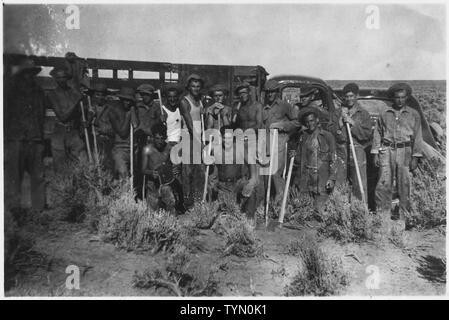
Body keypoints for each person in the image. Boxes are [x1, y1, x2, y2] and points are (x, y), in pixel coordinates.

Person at [372, 83, 424, 222]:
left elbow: (417, 137)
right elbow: (378, 133)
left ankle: (404, 217)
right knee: (383, 182)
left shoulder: (413, 114)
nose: (400, 100)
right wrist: (376, 152)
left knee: (404, 183)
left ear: (406, 98)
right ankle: (383, 216)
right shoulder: (384, 113)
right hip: (387, 150)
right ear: (392, 98)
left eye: (402, 97)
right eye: (397, 97)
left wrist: (416, 156)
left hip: (405, 151)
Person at [4, 58, 46, 211]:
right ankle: (13, 210)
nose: (29, 76)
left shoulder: (39, 91)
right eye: (26, 73)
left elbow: (41, 114)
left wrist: (39, 137)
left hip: (35, 139)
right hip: (16, 139)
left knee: (38, 176)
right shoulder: (10, 91)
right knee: (15, 176)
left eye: (31, 73)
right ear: (21, 74)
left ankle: (39, 209)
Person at [208, 126, 263, 222]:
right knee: (225, 213)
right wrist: (208, 162)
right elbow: (212, 170)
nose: (227, 141)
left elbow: (251, 162)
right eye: (225, 138)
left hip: (238, 183)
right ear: (222, 138)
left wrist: (253, 179)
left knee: (251, 189)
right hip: (223, 185)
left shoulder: (239, 148)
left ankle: (249, 219)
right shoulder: (216, 150)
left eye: (229, 138)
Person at [262, 79, 300, 205]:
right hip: (265, 143)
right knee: (265, 173)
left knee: (276, 173)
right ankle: (267, 203)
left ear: (277, 92)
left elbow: (296, 123)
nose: (270, 95)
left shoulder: (284, 106)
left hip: (279, 142)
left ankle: (281, 205)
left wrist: (282, 125)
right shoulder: (262, 106)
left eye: (272, 92)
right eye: (267, 92)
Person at [291, 108, 337, 211]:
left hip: (321, 180)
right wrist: (293, 155)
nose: (309, 124)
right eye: (307, 122)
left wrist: (332, 178)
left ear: (317, 120)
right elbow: (298, 160)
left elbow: (334, 158)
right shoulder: (302, 137)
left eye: (311, 120)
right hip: (306, 179)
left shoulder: (327, 136)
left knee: (320, 211)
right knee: (303, 210)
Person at [334, 83, 372, 202]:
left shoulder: (363, 113)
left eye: (352, 96)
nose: (349, 99)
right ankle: (340, 209)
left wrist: (353, 124)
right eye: (347, 96)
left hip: (357, 149)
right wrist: (340, 124)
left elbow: (366, 135)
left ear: (356, 96)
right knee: (340, 180)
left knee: (358, 181)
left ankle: (359, 209)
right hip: (341, 150)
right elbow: (331, 132)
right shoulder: (338, 112)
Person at [47, 67, 86, 171]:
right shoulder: (52, 94)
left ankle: (78, 186)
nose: (62, 80)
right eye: (59, 77)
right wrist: (76, 100)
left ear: (67, 78)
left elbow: (81, 113)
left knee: (81, 164)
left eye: (64, 77)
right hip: (60, 132)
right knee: (60, 166)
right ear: (55, 78)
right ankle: (62, 187)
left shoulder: (74, 92)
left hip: (74, 132)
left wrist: (82, 125)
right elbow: (62, 117)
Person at [141, 123, 185, 214]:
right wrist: (151, 173)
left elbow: (175, 164)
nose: (160, 141)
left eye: (162, 138)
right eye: (157, 138)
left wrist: (176, 169)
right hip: (152, 184)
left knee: (171, 208)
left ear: (166, 137)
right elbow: (143, 169)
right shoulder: (147, 149)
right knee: (152, 213)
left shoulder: (169, 148)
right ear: (153, 137)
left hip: (166, 183)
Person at [179, 74, 206, 206]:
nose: (195, 88)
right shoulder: (184, 101)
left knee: (198, 170)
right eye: (193, 86)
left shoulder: (199, 100)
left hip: (198, 136)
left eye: (198, 86)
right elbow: (190, 126)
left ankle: (197, 201)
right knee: (187, 171)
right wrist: (199, 143)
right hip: (189, 138)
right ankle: (187, 203)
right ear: (188, 87)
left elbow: (201, 118)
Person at [135, 83, 163, 198]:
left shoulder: (158, 108)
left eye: (147, 95)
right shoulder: (138, 107)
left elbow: (160, 127)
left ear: (152, 95)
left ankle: (155, 195)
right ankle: (140, 195)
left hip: (152, 142)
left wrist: (161, 119)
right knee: (140, 168)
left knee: (152, 168)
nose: (145, 97)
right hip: (141, 142)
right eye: (143, 95)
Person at [108, 87, 139, 179]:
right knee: (123, 175)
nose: (127, 103)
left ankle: (131, 193)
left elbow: (135, 124)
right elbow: (122, 132)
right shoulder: (113, 112)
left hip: (133, 149)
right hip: (120, 150)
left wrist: (132, 111)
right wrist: (128, 116)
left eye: (129, 101)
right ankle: (124, 193)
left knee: (133, 177)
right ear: (120, 99)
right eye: (125, 100)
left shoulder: (134, 110)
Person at [90, 82, 114, 170]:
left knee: (107, 162)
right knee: (96, 162)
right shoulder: (91, 108)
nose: (100, 97)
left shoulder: (110, 108)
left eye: (102, 95)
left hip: (108, 139)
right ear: (94, 95)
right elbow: (88, 122)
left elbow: (113, 128)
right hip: (95, 139)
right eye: (97, 95)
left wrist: (105, 131)